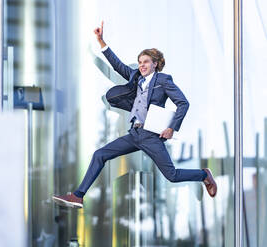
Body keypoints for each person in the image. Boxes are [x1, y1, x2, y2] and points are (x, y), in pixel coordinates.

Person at [53, 22, 217, 208]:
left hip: (151, 136)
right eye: (139, 62)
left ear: (155, 64)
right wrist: (101, 42)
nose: (142, 65)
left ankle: (204, 175)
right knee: (100, 154)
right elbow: (117, 65)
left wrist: (172, 127)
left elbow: (183, 103)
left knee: (172, 176)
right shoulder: (135, 77)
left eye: (146, 62)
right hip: (135, 133)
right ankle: (78, 196)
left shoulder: (163, 80)